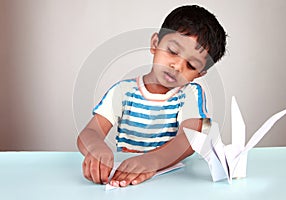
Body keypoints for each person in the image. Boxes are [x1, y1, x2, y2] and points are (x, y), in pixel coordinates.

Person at [77, 5, 227, 187]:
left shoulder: (192, 94)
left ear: (199, 74)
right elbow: (90, 132)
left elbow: (189, 139)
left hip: (174, 181)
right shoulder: (123, 91)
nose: (177, 66)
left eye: (191, 65)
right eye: (173, 51)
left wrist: (151, 161)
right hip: (124, 178)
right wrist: (96, 148)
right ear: (155, 44)